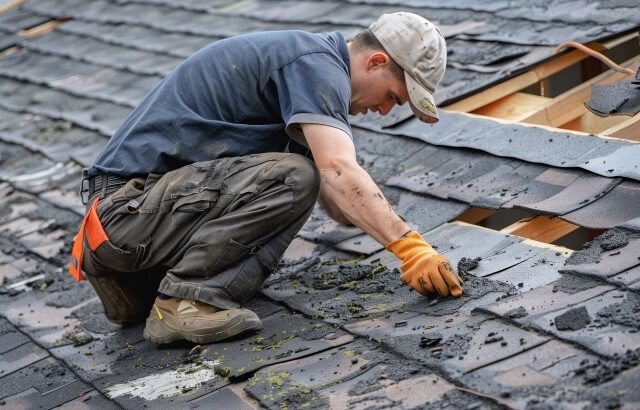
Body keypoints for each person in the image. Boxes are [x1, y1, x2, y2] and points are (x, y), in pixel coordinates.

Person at [68, 12, 462, 345]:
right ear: (375, 62)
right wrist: (411, 248)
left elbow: (336, 195)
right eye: (394, 96)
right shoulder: (316, 64)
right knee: (295, 177)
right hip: (127, 215)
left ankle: (137, 287)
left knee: (299, 177)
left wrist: (379, 217)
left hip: (129, 222)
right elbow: (335, 170)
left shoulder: (301, 69)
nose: (384, 110)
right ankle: (184, 304)